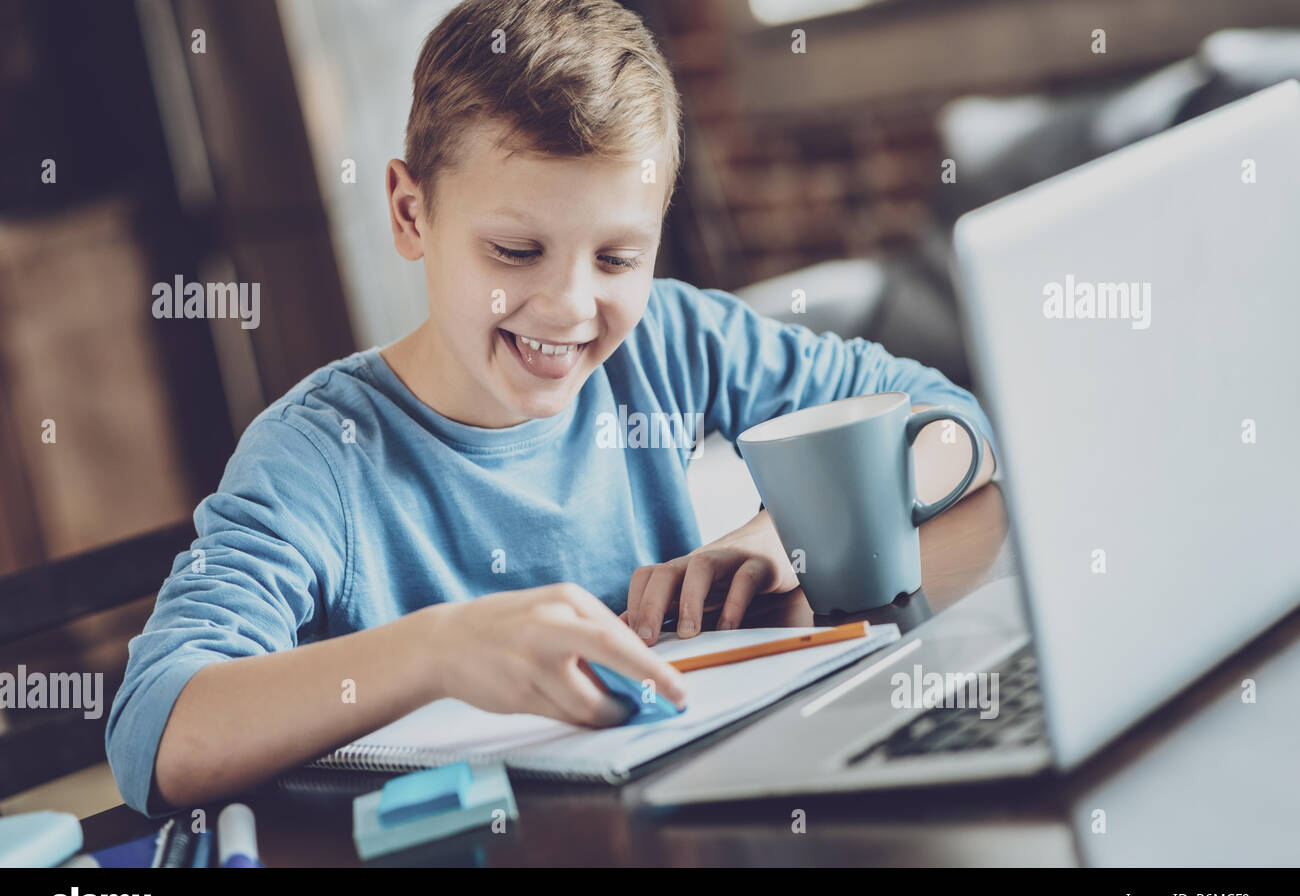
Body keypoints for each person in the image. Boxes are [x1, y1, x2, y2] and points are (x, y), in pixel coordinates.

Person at [107, 0, 996, 816]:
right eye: (516, 249)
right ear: (411, 213)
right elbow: (157, 730)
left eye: (616, 259)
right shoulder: (320, 457)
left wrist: (780, 537)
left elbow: (950, 422)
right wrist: (438, 649)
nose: (571, 307)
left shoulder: (670, 341)